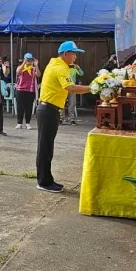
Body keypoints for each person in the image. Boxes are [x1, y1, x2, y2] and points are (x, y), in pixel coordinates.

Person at [36, 41, 91, 192]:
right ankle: (44, 182)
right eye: (74, 53)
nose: (75, 57)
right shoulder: (60, 68)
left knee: (47, 146)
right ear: (65, 54)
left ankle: (46, 179)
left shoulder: (55, 63)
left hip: (49, 109)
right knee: (45, 147)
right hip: (48, 109)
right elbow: (70, 87)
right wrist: (92, 88)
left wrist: (72, 67)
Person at [15, 53, 41, 130]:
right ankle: (19, 123)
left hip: (30, 90)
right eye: (28, 59)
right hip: (20, 90)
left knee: (29, 107)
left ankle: (27, 123)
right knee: (20, 107)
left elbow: (38, 75)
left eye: (30, 60)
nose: (29, 61)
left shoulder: (33, 69)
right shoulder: (21, 67)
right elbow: (18, 71)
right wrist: (24, 62)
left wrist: (36, 65)